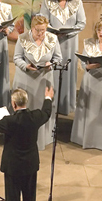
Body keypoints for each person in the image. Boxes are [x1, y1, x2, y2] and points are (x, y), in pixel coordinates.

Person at [13, 15, 62, 150]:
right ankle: (23, 137)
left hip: (44, 79)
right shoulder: (22, 38)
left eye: (43, 30)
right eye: (37, 30)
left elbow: (58, 58)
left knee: (41, 108)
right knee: (26, 107)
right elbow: (16, 58)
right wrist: (25, 66)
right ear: (32, 28)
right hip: (26, 79)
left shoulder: (53, 39)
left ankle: (42, 139)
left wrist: (50, 64)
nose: (40, 33)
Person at [71, 19, 102, 150]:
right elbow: (83, 63)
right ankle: (87, 139)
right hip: (91, 80)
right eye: (99, 30)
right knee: (90, 109)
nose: (101, 33)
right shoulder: (89, 44)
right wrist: (88, 66)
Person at [39, 0, 85, 115]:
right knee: (52, 70)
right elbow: (43, 21)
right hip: (52, 41)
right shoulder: (48, 2)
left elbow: (81, 23)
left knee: (68, 71)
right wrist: (53, 32)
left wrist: (68, 33)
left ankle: (66, 103)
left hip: (69, 43)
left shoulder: (77, 3)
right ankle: (50, 102)